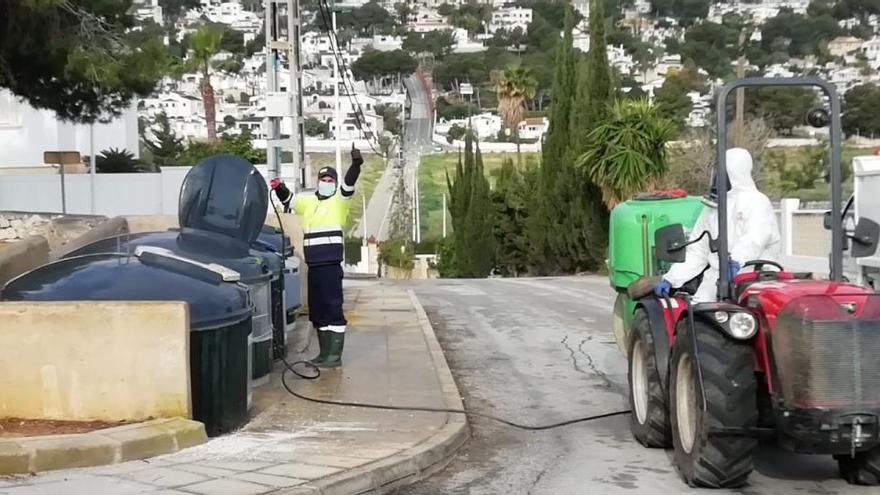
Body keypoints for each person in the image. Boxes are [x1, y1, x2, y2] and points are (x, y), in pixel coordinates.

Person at [654, 148, 781, 303]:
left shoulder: (756, 202)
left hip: (755, 280)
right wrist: (671, 278)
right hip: (714, 281)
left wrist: (735, 261)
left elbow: (755, 237)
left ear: (733, 171)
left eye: (721, 172)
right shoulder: (712, 208)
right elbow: (697, 251)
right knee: (694, 316)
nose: (716, 177)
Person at [293, 146, 363, 368]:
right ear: (318, 180)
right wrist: (278, 188)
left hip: (330, 264)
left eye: (329, 178)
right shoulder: (308, 201)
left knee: (333, 307)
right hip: (313, 264)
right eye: (323, 178)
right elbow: (289, 202)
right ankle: (323, 354)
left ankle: (334, 356)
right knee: (318, 310)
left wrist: (356, 164)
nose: (326, 181)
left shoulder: (339, 200)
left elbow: (349, 183)